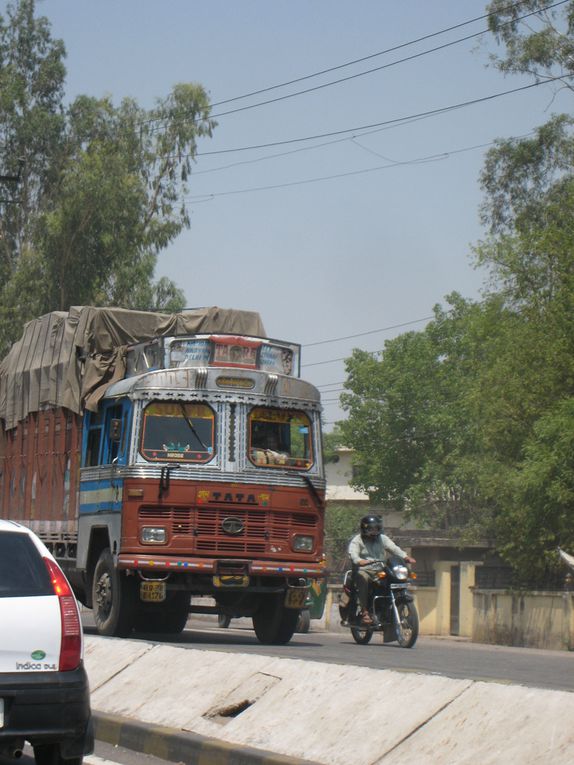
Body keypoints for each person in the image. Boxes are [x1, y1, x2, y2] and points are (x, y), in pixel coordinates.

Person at [347, 514, 416, 625]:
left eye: (376, 528)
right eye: (371, 528)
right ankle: (365, 612)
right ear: (365, 528)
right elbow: (353, 553)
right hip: (365, 569)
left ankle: (388, 607)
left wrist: (405, 557)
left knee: (394, 578)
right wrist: (359, 560)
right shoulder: (357, 540)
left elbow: (393, 548)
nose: (374, 531)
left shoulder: (382, 538)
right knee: (362, 577)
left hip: (380, 569)